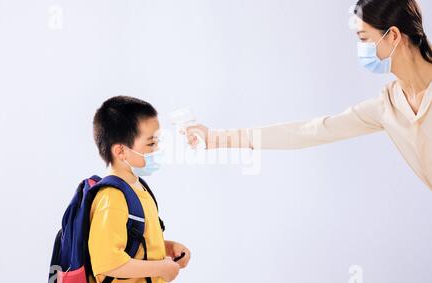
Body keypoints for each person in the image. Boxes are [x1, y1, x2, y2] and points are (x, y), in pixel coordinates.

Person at [185, 0, 432, 191]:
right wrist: (217, 138)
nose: (361, 49)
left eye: (364, 38)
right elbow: (311, 131)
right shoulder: (387, 105)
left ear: (393, 36)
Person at [89, 96, 191, 283]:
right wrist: (159, 269)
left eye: (157, 141)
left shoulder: (138, 189)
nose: (157, 149)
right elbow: (108, 261)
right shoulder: (112, 198)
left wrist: (166, 247)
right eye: (151, 143)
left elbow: (132, 245)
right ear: (121, 151)